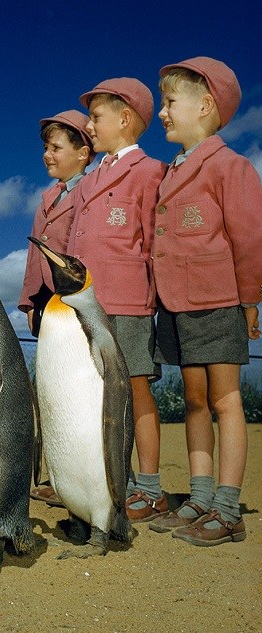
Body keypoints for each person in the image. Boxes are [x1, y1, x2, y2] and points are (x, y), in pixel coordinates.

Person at [148, 57, 262, 546]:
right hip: (175, 305)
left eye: (170, 102)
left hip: (218, 300)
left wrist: (251, 301)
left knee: (225, 399)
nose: (163, 114)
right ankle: (198, 497)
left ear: (206, 105)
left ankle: (228, 506)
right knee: (194, 401)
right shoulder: (169, 173)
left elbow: (250, 239)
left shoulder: (231, 167)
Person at [66, 77, 168, 522]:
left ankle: (149, 488)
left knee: (136, 389)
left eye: (96, 117)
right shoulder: (87, 182)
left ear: (125, 118)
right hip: (84, 304)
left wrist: (158, 300)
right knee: (94, 392)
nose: (89, 125)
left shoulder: (151, 171)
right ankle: (112, 480)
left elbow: (156, 241)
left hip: (128, 302)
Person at [19, 109, 95, 506]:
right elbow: (35, 256)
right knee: (51, 391)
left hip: (74, 301)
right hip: (48, 305)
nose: (47, 155)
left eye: (56, 147)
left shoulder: (92, 192)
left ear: (84, 152)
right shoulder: (47, 198)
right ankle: (58, 474)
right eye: (46, 148)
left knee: (80, 391)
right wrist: (29, 299)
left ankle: (89, 475)